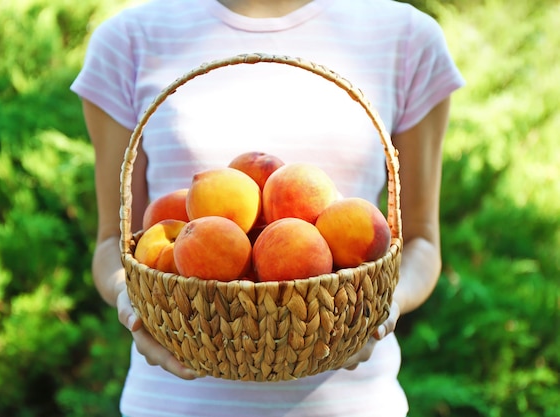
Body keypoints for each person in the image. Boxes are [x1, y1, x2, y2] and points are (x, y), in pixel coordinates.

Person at [71, 0, 465, 415]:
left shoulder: (407, 36)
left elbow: (420, 241)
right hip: (171, 402)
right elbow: (114, 245)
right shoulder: (127, 39)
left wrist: (386, 306)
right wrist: (129, 299)